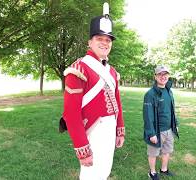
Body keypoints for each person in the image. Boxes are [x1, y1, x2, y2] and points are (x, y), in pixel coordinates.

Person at [61, 3, 125, 180]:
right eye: (100, 39)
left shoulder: (112, 72)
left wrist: (120, 128)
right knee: (91, 175)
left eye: (108, 40)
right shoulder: (79, 69)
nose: (105, 43)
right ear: (90, 42)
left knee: (104, 171)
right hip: (92, 131)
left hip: (110, 128)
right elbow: (71, 113)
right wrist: (82, 148)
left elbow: (117, 102)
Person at [143, 65, 179, 180]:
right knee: (153, 153)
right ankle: (152, 172)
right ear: (155, 76)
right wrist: (151, 133)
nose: (163, 77)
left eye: (165, 74)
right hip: (157, 131)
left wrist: (175, 125)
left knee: (166, 151)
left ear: (168, 76)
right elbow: (147, 116)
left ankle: (164, 169)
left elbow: (171, 110)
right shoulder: (150, 94)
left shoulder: (169, 91)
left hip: (169, 129)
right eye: (160, 74)